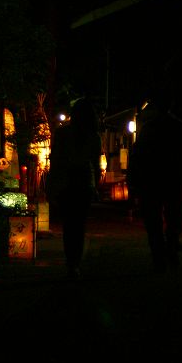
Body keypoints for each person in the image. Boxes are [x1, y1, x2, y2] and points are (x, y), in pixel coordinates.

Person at [127, 89, 182, 272]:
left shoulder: (149, 128)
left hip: (152, 180)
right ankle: (171, 247)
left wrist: (135, 183)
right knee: (173, 218)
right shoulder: (180, 126)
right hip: (172, 178)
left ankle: (158, 254)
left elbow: (138, 155)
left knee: (153, 220)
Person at [47, 98, 102, 278]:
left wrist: (52, 185)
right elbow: (95, 163)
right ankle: (75, 262)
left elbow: (55, 161)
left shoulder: (63, 133)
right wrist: (96, 187)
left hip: (67, 180)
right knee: (79, 224)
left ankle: (71, 261)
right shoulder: (93, 136)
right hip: (84, 180)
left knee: (68, 224)